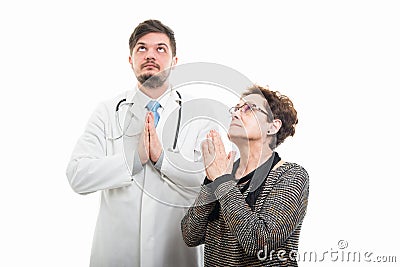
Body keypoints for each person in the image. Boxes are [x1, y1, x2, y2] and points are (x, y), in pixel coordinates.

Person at [66, 19, 211, 267]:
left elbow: (210, 182)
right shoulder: (107, 111)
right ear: (130, 60)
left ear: (175, 62)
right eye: (141, 48)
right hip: (116, 256)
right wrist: (134, 160)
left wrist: (162, 160)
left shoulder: (198, 114)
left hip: (175, 255)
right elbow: (77, 175)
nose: (150, 55)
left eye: (160, 49)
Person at [181, 85, 309, 266]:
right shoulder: (222, 171)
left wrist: (221, 181)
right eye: (236, 109)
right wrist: (212, 180)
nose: (235, 114)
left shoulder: (291, 175)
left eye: (249, 108)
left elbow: (258, 242)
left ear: (273, 126)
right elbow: (190, 235)